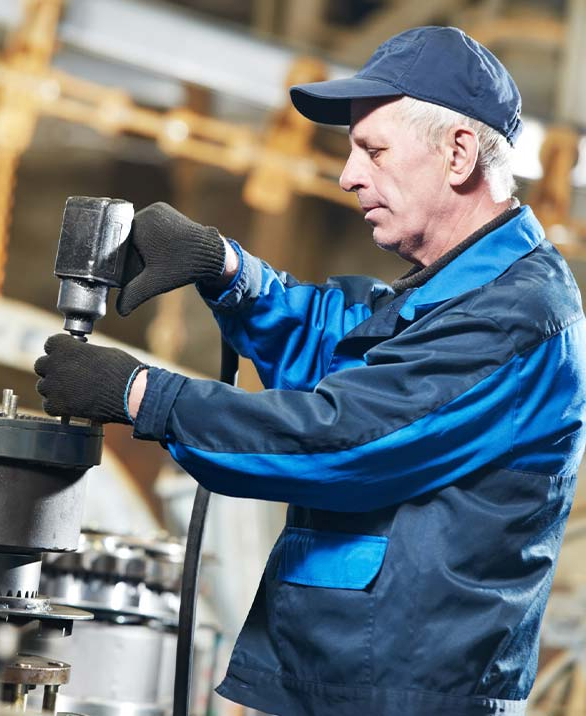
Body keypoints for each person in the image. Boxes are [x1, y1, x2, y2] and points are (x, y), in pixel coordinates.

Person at [34, 26, 586, 716]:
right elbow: (350, 345)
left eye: (373, 150)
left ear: (458, 152)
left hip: (403, 696)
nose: (349, 174)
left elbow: (345, 436)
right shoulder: (455, 292)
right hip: (348, 679)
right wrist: (228, 270)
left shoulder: (516, 315)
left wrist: (140, 394)